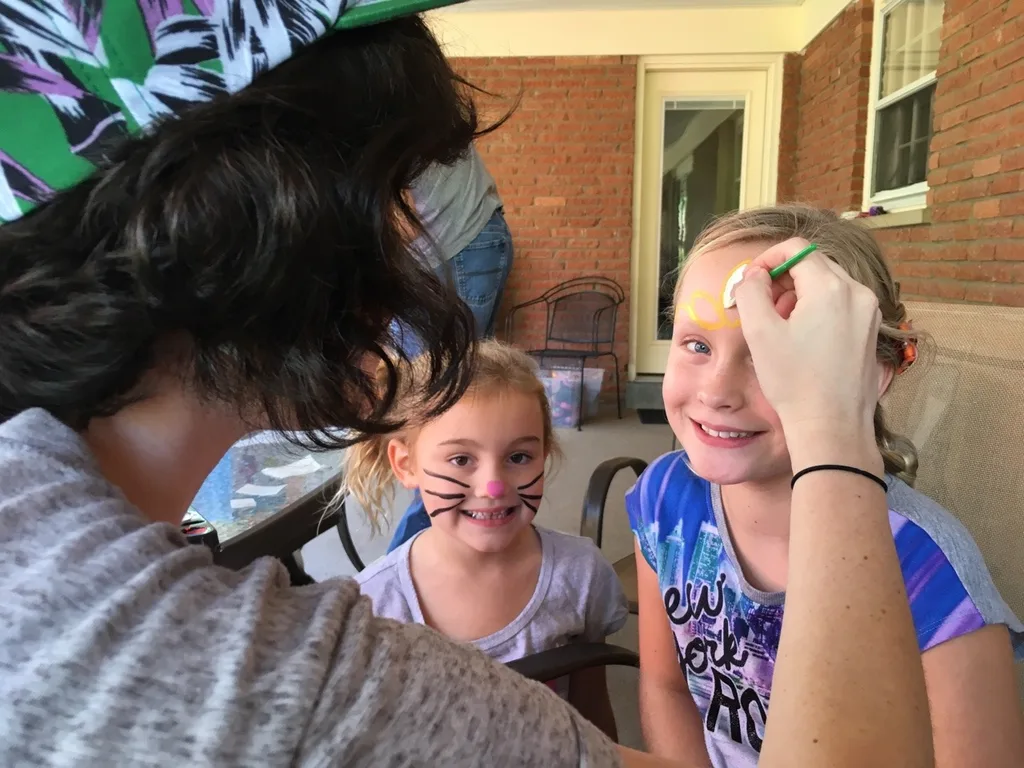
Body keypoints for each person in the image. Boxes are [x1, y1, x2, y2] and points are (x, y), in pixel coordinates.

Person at [0, 1, 957, 765]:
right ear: (256, 218)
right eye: (398, 187)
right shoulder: (278, 685)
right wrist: (834, 427)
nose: (423, 240)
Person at [630, 205, 1024, 768]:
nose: (717, 390)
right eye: (697, 345)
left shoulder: (932, 572)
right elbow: (667, 688)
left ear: (870, 374)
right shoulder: (663, 499)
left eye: (769, 356)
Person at [347, 340, 628, 737]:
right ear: (406, 465)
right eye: (461, 460)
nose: (494, 487)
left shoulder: (581, 576)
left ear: (544, 453)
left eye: (519, 457)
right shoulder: (373, 607)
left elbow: (593, 714)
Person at [387, 148, 514, 551]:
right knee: (460, 395)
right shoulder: (412, 92)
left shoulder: (361, 101)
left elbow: (387, 209)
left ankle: (414, 555)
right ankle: (460, 537)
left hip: (452, 241)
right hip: (479, 229)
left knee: (437, 400)